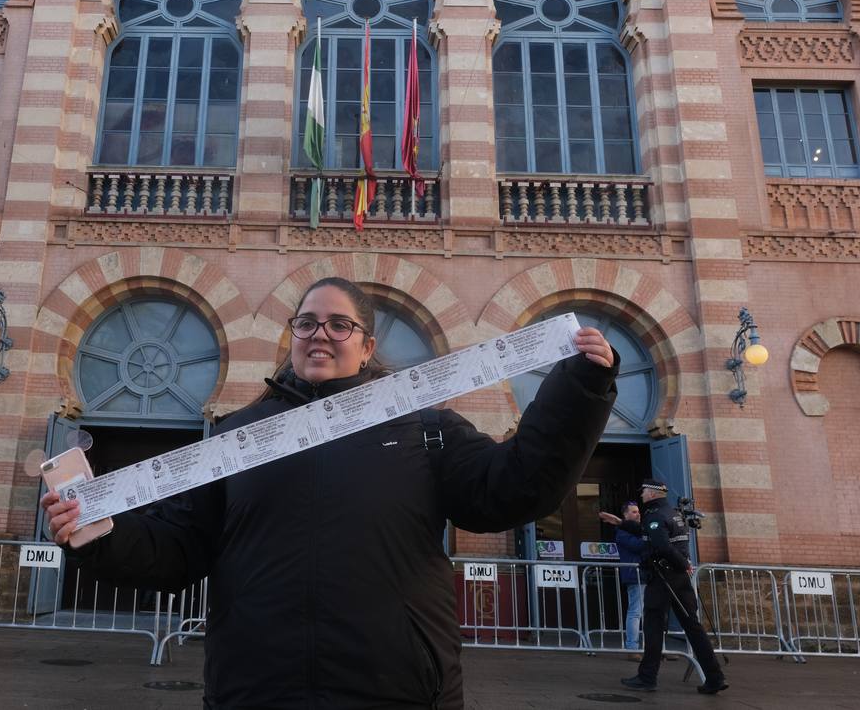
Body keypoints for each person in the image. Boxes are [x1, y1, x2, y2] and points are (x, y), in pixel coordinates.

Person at [43, 276, 618, 709]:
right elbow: (177, 549)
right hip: (257, 690)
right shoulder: (238, 437)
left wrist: (579, 390)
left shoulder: (424, 428)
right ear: (292, 336)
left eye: (339, 324)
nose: (321, 334)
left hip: (396, 691)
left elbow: (513, 490)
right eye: (307, 322)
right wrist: (97, 534)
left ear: (367, 347)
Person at [620, 479, 726, 695]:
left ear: (651, 494)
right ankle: (715, 677)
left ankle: (647, 677)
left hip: (663, 577)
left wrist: (683, 564)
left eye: (643, 492)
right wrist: (620, 523)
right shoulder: (674, 513)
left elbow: (662, 546)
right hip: (679, 578)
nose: (641, 496)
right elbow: (646, 530)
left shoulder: (655, 515)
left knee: (653, 625)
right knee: (693, 626)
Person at [599, 500, 646, 660]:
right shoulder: (623, 532)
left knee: (650, 612)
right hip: (635, 575)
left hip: (646, 574)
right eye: (633, 512)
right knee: (636, 612)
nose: (638, 514)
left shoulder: (638, 530)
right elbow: (639, 546)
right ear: (625, 515)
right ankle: (632, 648)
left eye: (638, 511)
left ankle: (656, 646)